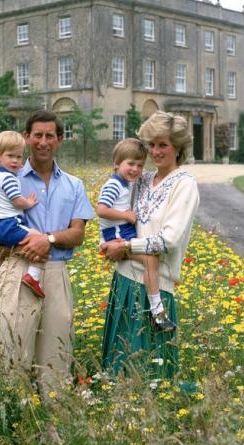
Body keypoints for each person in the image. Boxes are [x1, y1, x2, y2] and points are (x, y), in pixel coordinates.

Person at [0, 110, 94, 398]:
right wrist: (23, 247)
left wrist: (49, 239)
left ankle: (55, 429)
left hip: (56, 274)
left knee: (56, 355)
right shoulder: (5, 177)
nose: (43, 142)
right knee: (14, 354)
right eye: (37, 135)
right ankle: (19, 427)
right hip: (17, 270)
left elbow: (77, 233)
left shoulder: (73, 185)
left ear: (60, 140)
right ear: (27, 138)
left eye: (49, 136)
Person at [101, 111, 200, 379]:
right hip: (124, 279)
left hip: (156, 286)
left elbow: (168, 240)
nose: (155, 152)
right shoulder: (142, 180)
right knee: (119, 368)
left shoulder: (184, 185)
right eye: (152, 145)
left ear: (177, 147)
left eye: (163, 145)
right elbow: (113, 206)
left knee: (150, 374)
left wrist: (125, 247)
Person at [96, 138, 176, 334]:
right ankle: (157, 311)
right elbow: (101, 210)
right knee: (150, 260)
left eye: (140, 165)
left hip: (123, 232)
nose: (135, 169)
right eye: (130, 164)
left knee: (150, 260)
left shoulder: (126, 184)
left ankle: (156, 308)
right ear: (116, 164)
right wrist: (126, 215)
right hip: (117, 234)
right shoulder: (114, 185)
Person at [0, 130, 45, 298]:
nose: (15, 161)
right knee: (39, 239)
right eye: (10, 156)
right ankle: (33, 276)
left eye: (19, 157)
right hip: (9, 224)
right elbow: (16, 201)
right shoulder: (9, 179)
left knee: (2, 253)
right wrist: (29, 202)